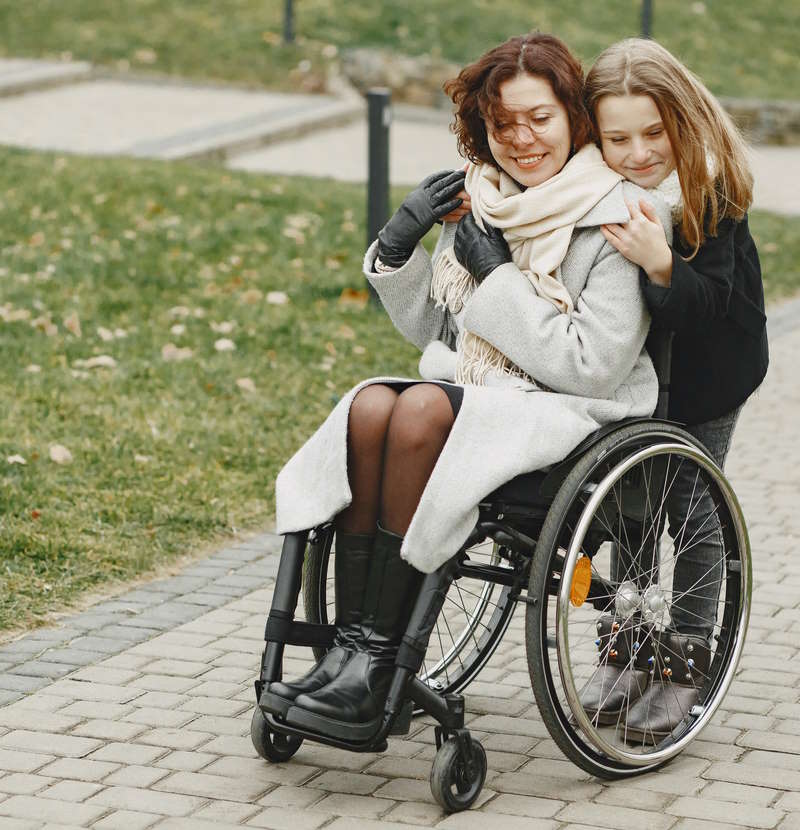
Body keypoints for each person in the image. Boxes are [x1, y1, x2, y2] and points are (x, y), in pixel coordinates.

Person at [265, 33, 671, 742]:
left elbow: (591, 364)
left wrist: (498, 278)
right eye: (502, 123)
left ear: (573, 116)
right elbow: (439, 331)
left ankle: (376, 663)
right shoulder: (485, 201)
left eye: (538, 118)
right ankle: (354, 655)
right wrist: (398, 247)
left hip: (573, 413)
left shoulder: (618, 213)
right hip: (485, 398)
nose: (521, 138)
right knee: (369, 405)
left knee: (420, 404)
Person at [580, 37, 769, 742]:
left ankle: (683, 663)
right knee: (633, 505)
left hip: (710, 370)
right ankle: (625, 649)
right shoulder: (594, 184)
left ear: (682, 122)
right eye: (617, 137)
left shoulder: (707, 185)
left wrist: (662, 264)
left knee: (689, 507)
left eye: (653, 133)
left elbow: (710, 303)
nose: (638, 152)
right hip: (635, 376)